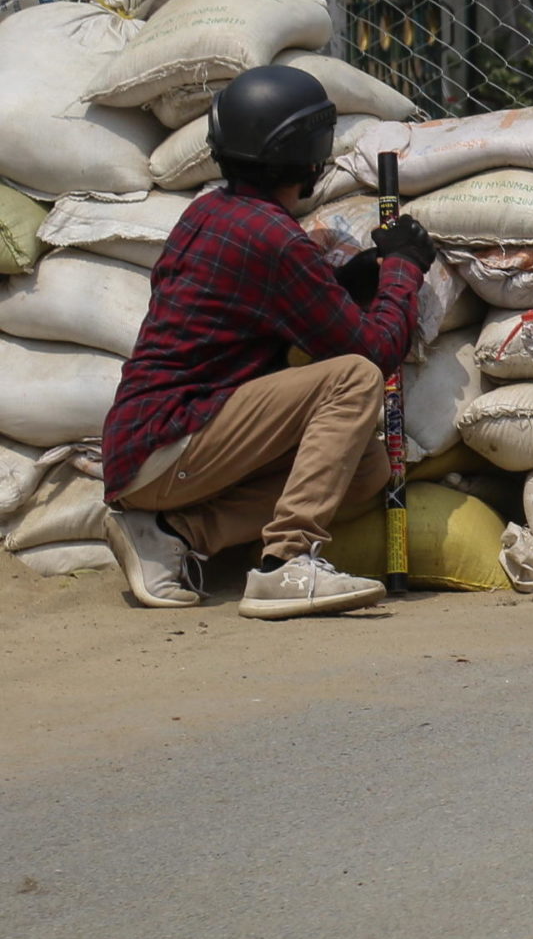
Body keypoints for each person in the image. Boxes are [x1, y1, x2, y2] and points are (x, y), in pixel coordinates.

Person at [101, 65, 433, 619]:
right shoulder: (273, 239)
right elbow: (372, 353)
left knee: (367, 469)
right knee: (353, 378)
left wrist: (355, 279)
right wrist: (402, 271)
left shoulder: (212, 212)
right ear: (308, 155)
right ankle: (285, 563)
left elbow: (286, 315)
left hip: (152, 451)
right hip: (170, 442)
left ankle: (171, 533)